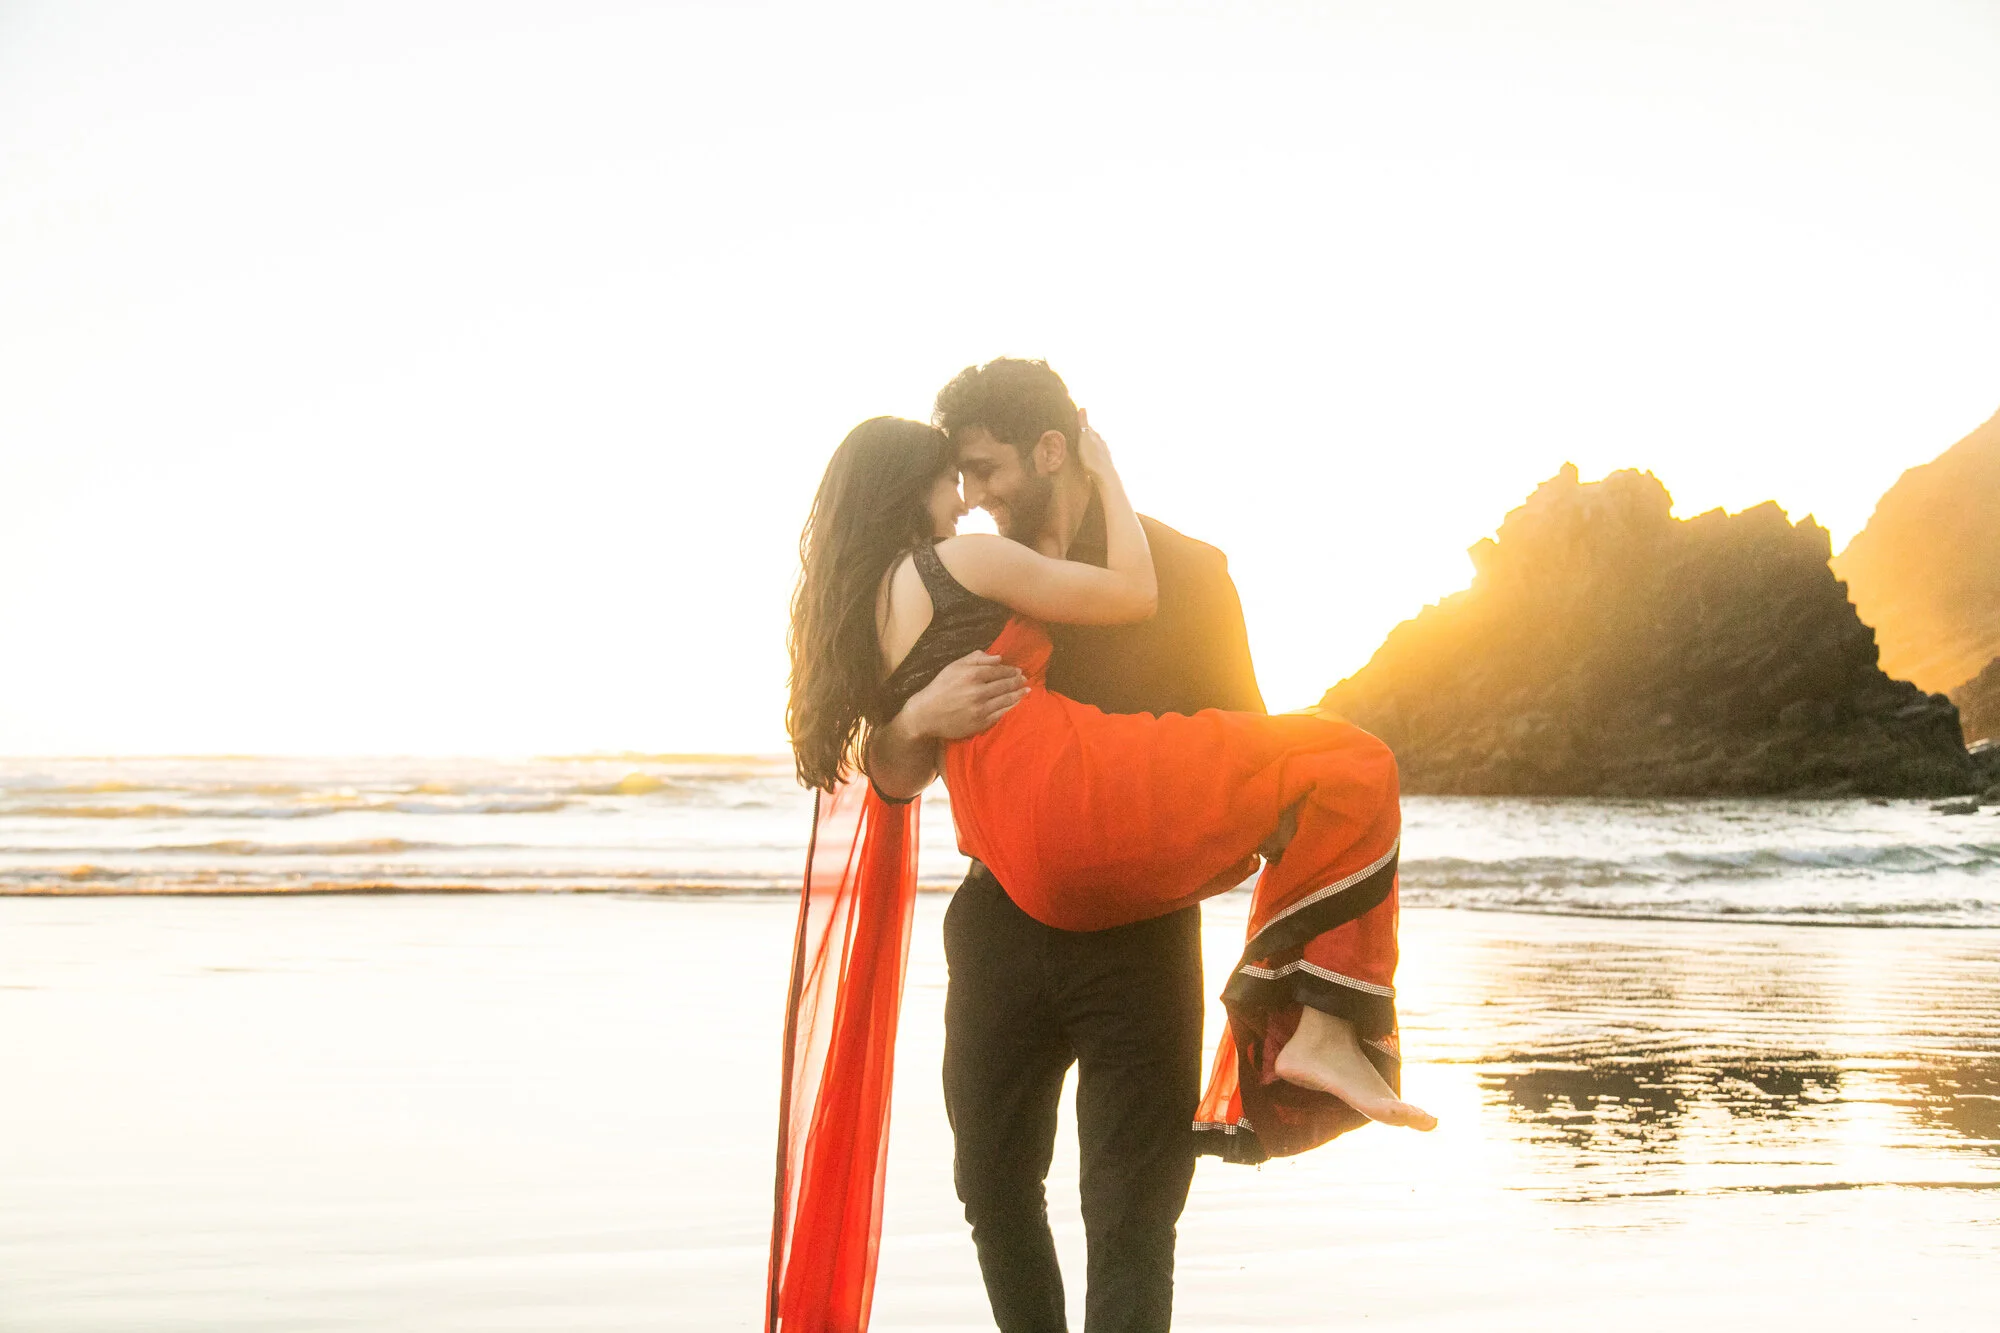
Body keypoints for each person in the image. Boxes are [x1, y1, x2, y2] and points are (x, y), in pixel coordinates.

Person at [781, 359, 1429, 1333]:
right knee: (990, 1186)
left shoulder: (1185, 572)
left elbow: (1236, 741)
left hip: (1136, 930)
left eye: (987, 470)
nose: (975, 497)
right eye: (959, 476)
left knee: (1130, 1208)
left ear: (1051, 451)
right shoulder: (959, 573)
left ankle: (1322, 1029)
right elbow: (889, 768)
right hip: (997, 916)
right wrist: (917, 712)